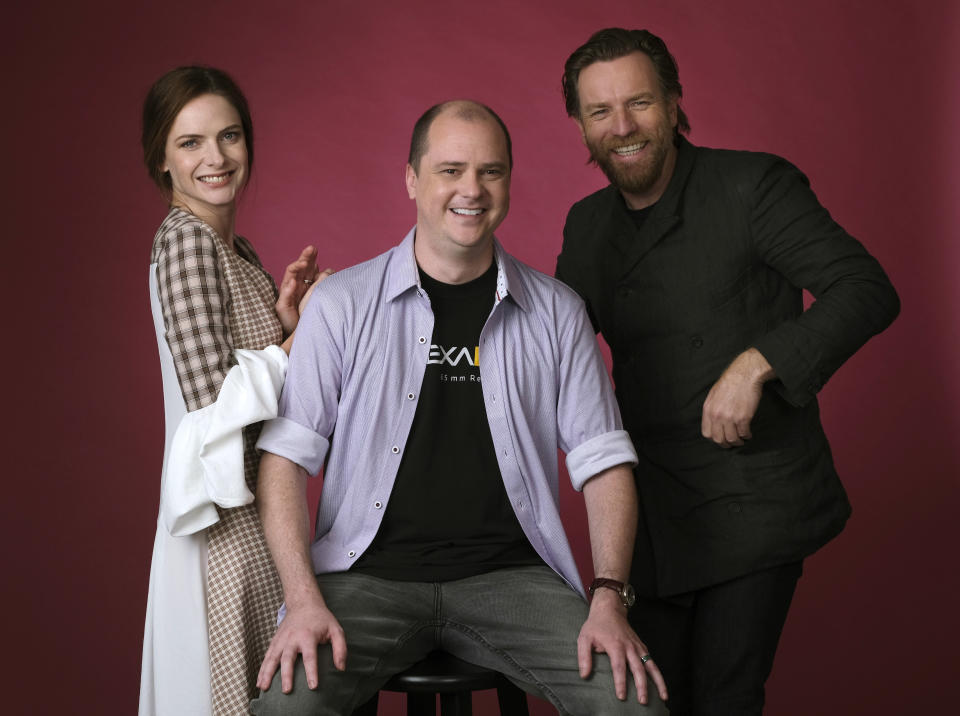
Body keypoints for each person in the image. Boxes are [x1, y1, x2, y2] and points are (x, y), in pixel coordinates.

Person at [249, 100, 669, 716]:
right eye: (450, 170)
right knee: (287, 709)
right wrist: (303, 599)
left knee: (634, 704)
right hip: (365, 579)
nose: (471, 189)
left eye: (490, 171)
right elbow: (284, 461)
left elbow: (603, 462)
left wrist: (608, 598)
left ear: (507, 180)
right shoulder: (340, 304)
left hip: (514, 581)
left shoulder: (557, 312)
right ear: (412, 179)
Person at [555, 28, 900, 716]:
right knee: (646, 701)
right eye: (600, 112)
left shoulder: (752, 185)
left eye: (640, 103)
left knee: (724, 698)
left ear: (675, 101)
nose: (622, 127)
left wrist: (759, 361)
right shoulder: (587, 224)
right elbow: (548, 345)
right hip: (651, 513)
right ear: (581, 126)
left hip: (754, 498)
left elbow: (865, 288)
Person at [139, 65, 329, 716]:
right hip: (221, 522)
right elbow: (212, 406)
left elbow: (249, 372)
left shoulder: (235, 247)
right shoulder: (187, 241)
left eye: (229, 136)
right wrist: (296, 348)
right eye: (190, 142)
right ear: (160, 158)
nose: (215, 158)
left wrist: (285, 321)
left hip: (252, 512)